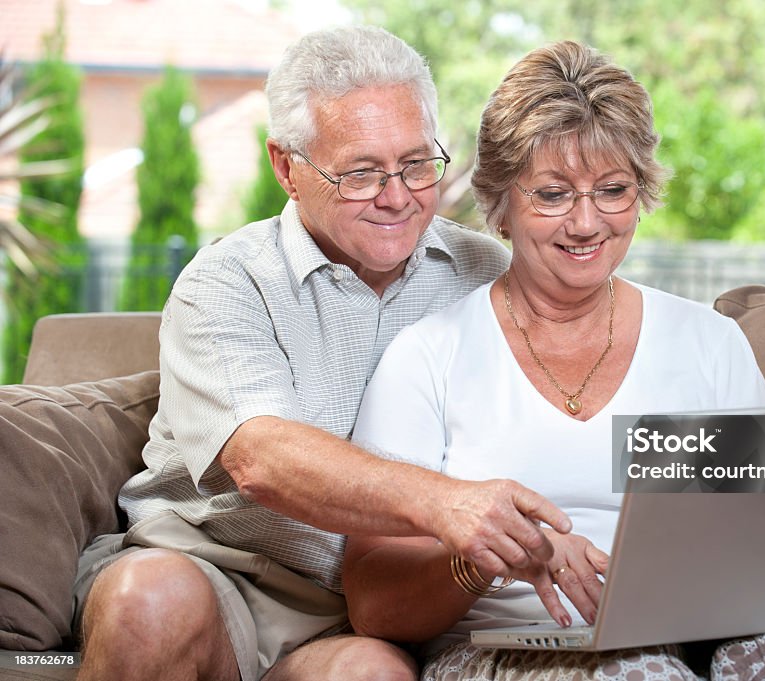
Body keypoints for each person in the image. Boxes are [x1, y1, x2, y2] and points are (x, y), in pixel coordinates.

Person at [342, 41, 765, 681]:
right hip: (509, 652)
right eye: (552, 194)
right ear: (501, 203)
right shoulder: (429, 356)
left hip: (705, 643)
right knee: (640, 671)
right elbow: (373, 604)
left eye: (613, 190)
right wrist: (487, 553)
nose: (586, 223)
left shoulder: (707, 341)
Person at [71, 26, 574, 681]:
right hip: (209, 567)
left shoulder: (487, 275)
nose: (398, 197)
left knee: (372, 674)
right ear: (287, 167)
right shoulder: (227, 281)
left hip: (367, 607)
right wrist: (443, 502)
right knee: (151, 603)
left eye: (417, 164)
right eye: (362, 173)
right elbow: (262, 458)